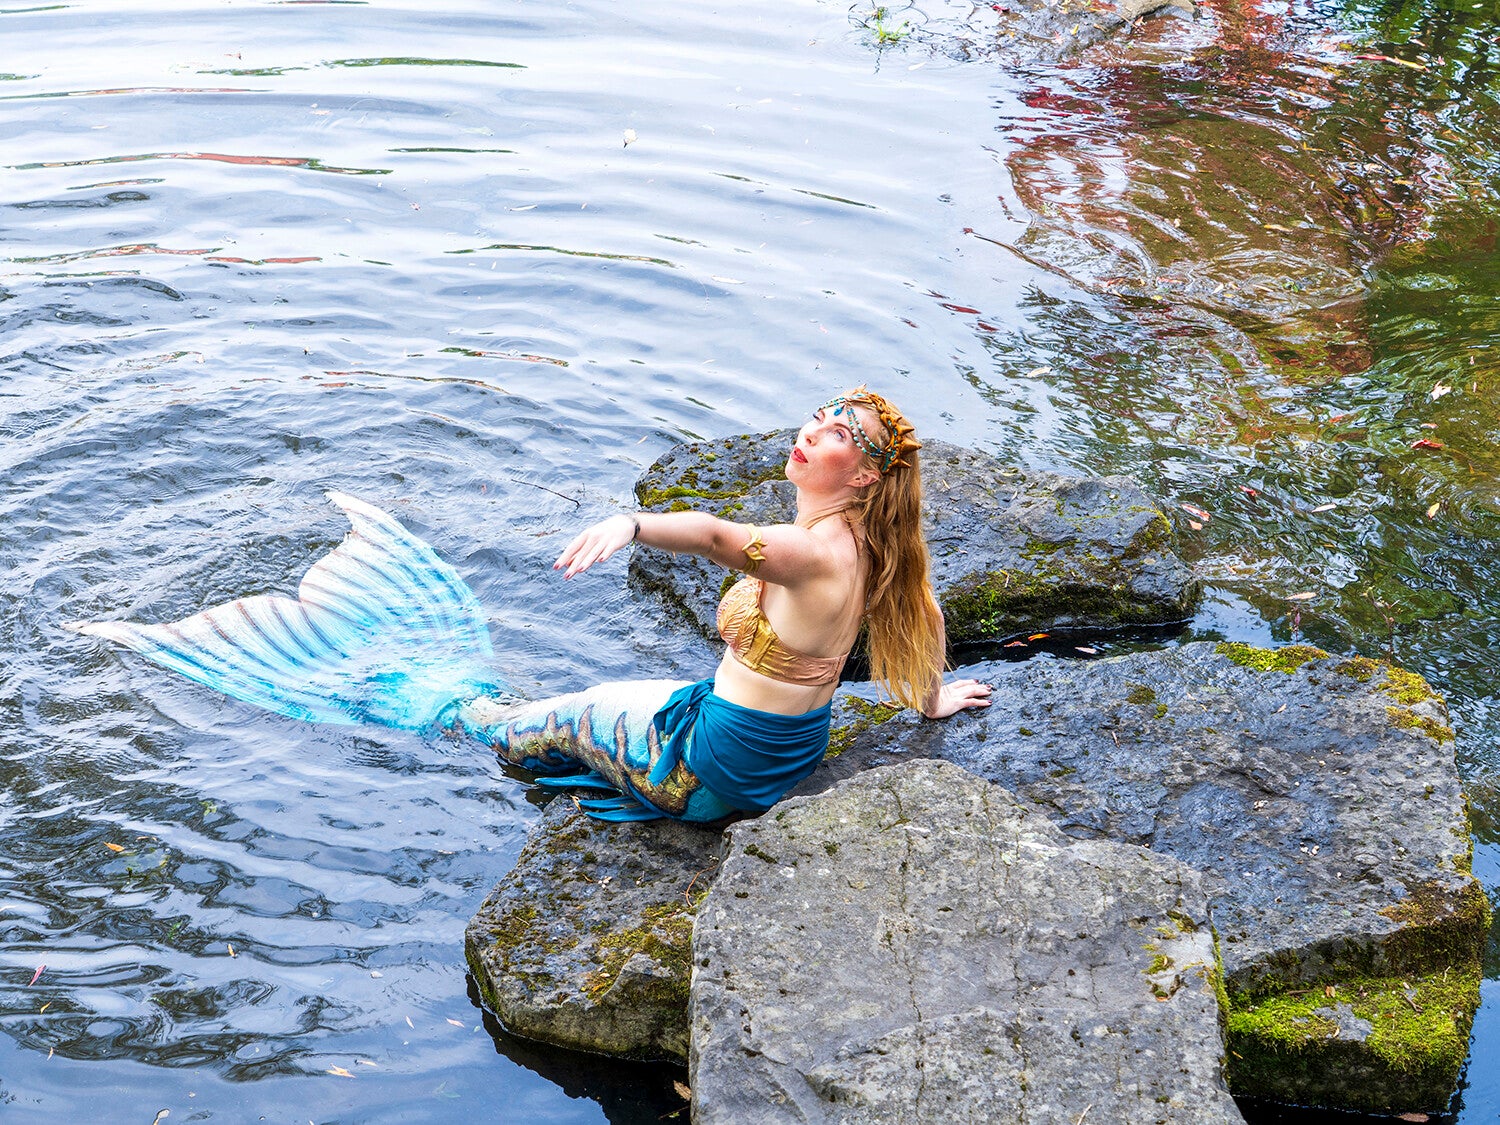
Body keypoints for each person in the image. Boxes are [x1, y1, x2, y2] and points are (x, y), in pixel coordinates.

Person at [69, 387, 990, 824]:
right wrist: (931, 698)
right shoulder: (875, 546)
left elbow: (719, 536)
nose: (812, 430)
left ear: (863, 474)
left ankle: (388, 689)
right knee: (596, 699)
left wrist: (632, 524)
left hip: (715, 770)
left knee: (505, 723)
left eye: (838, 433)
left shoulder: (809, 552)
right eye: (820, 414)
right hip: (773, 753)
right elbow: (925, 613)